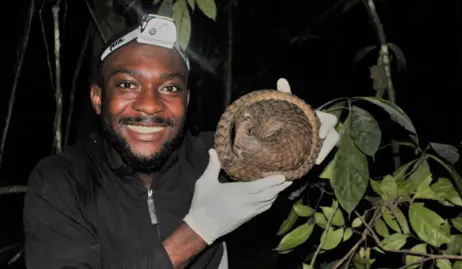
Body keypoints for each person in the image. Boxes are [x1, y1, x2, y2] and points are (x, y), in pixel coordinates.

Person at [22, 14, 340, 269]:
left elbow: (272, 174)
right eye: (128, 84)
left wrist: (300, 147)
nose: (150, 105)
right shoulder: (62, 181)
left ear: (186, 101)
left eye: (170, 88)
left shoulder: (212, 157)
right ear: (97, 98)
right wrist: (198, 231)